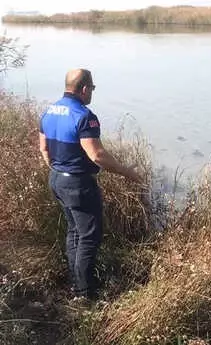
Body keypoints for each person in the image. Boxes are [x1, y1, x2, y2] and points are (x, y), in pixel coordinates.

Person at [39, 68, 141, 303]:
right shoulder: (85, 116)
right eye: (92, 88)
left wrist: (59, 172)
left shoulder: (49, 110)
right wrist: (128, 172)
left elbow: (44, 149)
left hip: (57, 179)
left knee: (75, 232)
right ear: (84, 88)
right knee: (89, 237)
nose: (92, 93)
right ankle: (85, 295)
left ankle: (77, 285)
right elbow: (96, 155)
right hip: (79, 184)